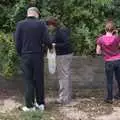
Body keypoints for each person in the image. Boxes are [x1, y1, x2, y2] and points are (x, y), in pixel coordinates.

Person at [15, 7, 51, 111]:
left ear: (28, 14)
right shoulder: (41, 24)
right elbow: (47, 40)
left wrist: (21, 53)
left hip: (25, 55)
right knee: (39, 80)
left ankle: (29, 106)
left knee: (28, 80)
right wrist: (46, 49)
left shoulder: (20, 24)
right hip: (38, 56)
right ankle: (40, 104)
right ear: (37, 14)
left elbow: (17, 42)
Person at [47, 19, 73, 104]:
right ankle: (67, 97)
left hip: (63, 56)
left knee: (63, 77)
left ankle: (64, 99)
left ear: (52, 25)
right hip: (64, 55)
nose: (48, 28)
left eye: (48, 26)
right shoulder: (59, 30)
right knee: (65, 76)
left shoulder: (61, 31)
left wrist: (54, 45)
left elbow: (66, 43)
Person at [96, 20, 120, 104]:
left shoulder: (100, 39)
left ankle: (110, 98)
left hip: (108, 62)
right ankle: (119, 95)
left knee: (109, 80)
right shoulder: (117, 37)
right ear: (113, 29)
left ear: (105, 29)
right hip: (118, 60)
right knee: (119, 79)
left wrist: (105, 53)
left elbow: (98, 52)